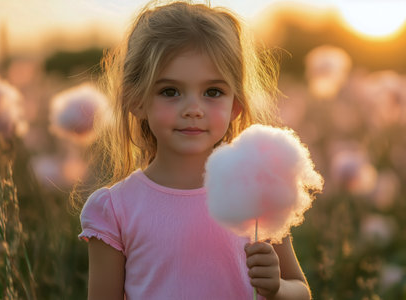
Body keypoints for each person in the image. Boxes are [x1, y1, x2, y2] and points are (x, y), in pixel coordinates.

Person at [77, 1, 311, 299]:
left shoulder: (257, 192)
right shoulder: (115, 210)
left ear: (235, 106)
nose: (193, 109)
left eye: (213, 92)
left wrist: (277, 288)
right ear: (136, 100)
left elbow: (301, 291)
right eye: (170, 91)